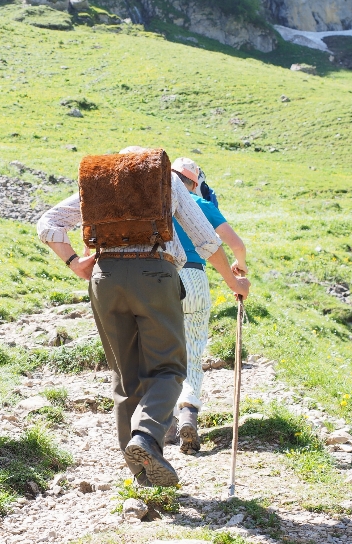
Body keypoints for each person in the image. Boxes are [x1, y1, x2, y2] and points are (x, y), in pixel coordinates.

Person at [37, 147, 250, 487]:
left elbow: (47, 223)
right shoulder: (163, 179)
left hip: (105, 278)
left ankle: (142, 479)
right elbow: (205, 238)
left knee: (125, 377)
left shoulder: (101, 182)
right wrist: (233, 280)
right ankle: (148, 436)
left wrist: (74, 262)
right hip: (155, 274)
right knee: (168, 368)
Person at [167, 157, 247, 454]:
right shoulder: (202, 205)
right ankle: (188, 411)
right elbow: (236, 244)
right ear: (195, 182)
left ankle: (162, 423)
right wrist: (240, 266)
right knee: (194, 347)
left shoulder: (159, 202)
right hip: (196, 278)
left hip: (162, 278)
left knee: (161, 348)